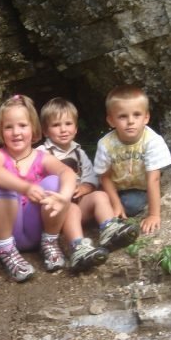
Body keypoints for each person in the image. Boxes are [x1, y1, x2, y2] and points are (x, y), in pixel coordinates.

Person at [0, 94, 78, 283]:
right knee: (2, 183)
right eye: (8, 127)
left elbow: (66, 172)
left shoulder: (41, 157)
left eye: (22, 125)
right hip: (7, 231)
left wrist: (64, 198)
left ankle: (50, 242)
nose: (16, 132)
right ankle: (7, 251)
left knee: (54, 182)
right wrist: (25, 187)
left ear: (33, 128)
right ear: (1, 132)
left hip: (36, 230)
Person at [37, 97, 139, 259]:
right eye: (56, 125)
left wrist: (85, 187)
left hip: (79, 201)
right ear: (45, 131)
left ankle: (109, 228)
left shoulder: (78, 152)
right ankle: (79, 247)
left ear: (76, 128)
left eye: (68, 124)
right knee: (71, 209)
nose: (63, 130)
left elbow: (91, 178)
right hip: (56, 212)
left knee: (100, 195)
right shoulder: (41, 152)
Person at [94, 85, 171, 234]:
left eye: (136, 114)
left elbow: (154, 179)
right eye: (123, 116)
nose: (130, 121)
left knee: (132, 204)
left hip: (139, 189)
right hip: (114, 188)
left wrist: (153, 215)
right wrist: (115, 203)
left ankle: (109, 217)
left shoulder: (152, 141)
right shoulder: (106, 144)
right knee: (98, 198)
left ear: (146, 117)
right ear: (111, 120)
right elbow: (104, 177)